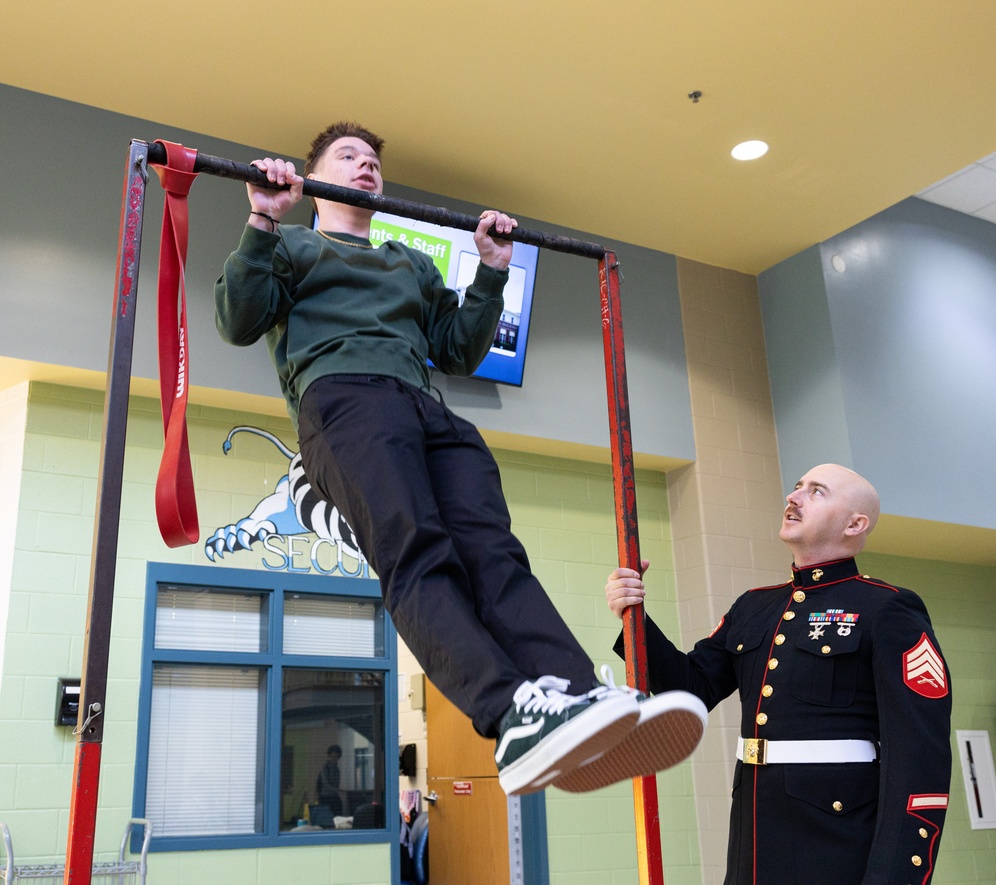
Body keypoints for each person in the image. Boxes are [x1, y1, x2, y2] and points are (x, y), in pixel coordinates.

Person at [215, 121, 704, 796]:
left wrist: (493, 269)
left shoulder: (407, 263)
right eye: (348, 158)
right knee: (418, 552)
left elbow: (459, 348)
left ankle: (577, 694)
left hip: (424, 406)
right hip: (345, 401)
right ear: (314, 179)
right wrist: (262, 220)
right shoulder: (294, 245)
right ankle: (508, 712)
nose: (366, 168)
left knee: (494, 554)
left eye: (373, 162)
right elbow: (238, 320)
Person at [605, 463, 952, 884]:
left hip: (838, 844)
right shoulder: (754, 607)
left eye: (817, 491)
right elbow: (688, 688)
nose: (794, 497)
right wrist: (634, 617)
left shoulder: (886, 608)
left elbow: (918, 756)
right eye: (797, 486)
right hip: (754, 836)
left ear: (854, 524)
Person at [316, 744, 343, 818]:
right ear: (329, 756)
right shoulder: (325, 768)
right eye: (333, 756)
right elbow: (326, 784)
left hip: (334, 797)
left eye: (337, 757)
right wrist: (338, 790)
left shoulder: (337, 769)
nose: (335, 759)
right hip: (325, 798)